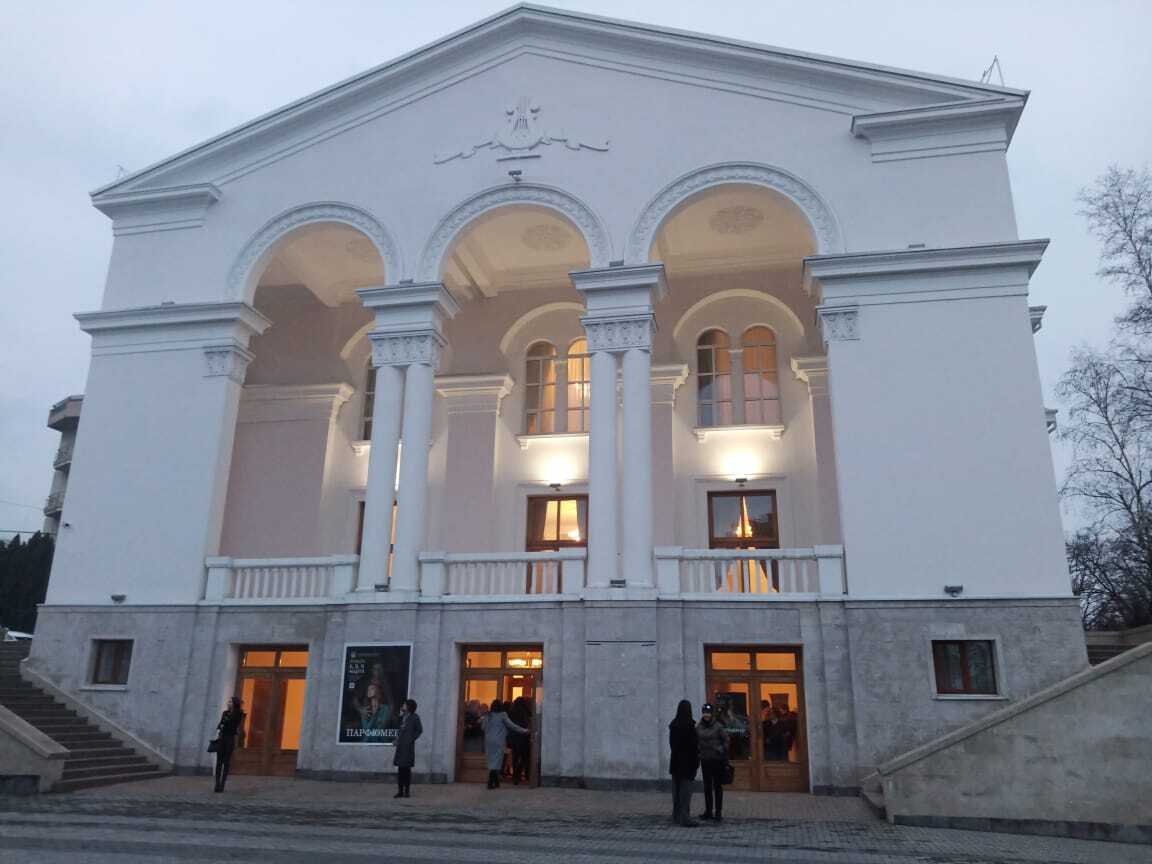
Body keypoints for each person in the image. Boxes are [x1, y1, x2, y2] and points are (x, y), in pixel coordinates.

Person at [481, 699, 528, 789]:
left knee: (492, 760)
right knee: (497, 760)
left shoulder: (488, 715)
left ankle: (496, 782)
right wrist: (524, 730)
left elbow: (483, 727)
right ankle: (490, 781)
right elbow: (512, 726)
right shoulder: (503, 715)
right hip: (499, 741)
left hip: (488, 741)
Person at [696, 702, 730, 822]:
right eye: (705, 712)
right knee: (707, 786)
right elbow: (696, 740)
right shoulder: (699, 727)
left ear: (712, 714)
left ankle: (718, 812)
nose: (706, 715)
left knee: (717, 786)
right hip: (705, 759)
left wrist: (720, 749)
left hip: (717, 760)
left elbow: (726, 740)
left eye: (708, 713)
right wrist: (698, 751)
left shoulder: (718, 726)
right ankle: (708, 811)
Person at [668, 699, 699, 827]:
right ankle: (685, 817)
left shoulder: (674, 725)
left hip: (675, 762)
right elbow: (693, 746)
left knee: (676, 791)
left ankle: (676, 815)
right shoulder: (689, 727)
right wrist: (696, 761)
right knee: (685, 792)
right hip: (687, 763)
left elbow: (672, 745)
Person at [214, 696, 245, 793]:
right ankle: (217, 783)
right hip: (222, 738)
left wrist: (225, 724)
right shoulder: (225, 713)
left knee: (226, 762)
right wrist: (223, 724)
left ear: (235, 703)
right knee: (219, 762)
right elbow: (220, 725)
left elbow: (233, 726)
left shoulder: (239, 714)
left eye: (230, 702)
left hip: (230, 739)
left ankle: (222, 784)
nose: (228, 703)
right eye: (228, 702)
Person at [392, 698, 423, 798]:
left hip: (408, 747)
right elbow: (398, 728)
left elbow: (419, 730)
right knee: (400, 770)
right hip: (400, 746)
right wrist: (396, 739)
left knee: (406, 770)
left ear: (409, 706)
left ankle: (407, 791)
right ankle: (400, 791)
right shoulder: (402, 717)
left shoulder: (415, 717)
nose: (403, 705)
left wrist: (411, 738)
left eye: (405, 704)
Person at [506, 696, 533, 785]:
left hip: (513, 738)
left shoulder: (511, 711)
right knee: (524, 757)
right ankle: (523, 774)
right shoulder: (525, 711)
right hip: (523, 737)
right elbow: (527, 723)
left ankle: (515, 776)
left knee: (515, 757)